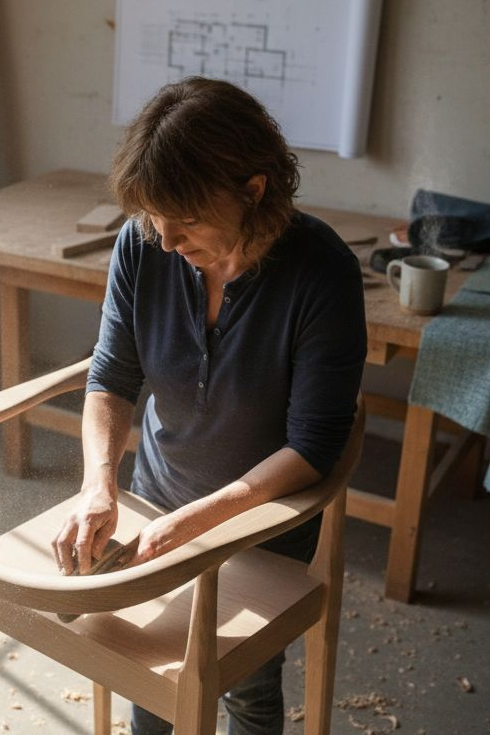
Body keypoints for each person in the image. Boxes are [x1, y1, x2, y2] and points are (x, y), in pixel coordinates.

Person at [51, 77, 367, 734]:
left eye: (186, 218)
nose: (164, 239)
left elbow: (313, 446)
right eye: (154, 215)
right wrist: (98, 487)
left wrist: (199, 523)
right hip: (154, 497)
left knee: (245, 689)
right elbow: (111, 377)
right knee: (149, 666)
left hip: (261, 519)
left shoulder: (321, 273)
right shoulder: (142, 243)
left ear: (254, 191)